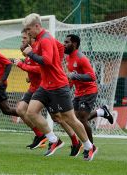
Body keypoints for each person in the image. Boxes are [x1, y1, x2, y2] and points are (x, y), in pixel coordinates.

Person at [22, 13, 97, 160]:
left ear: (37, 26)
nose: (27, 32)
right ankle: (54, 140)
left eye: (29, 29)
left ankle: (89, 146)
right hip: (45, 85)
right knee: (30, 112)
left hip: (58, 85)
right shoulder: (41, 39)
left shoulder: (45, 40)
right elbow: (61, 48)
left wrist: (31, 54)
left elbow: (48, 61)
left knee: (69, 119)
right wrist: (58, 61)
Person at [15, 29, 82, 157]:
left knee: (58, 117)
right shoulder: (29, 49)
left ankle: (75, 142)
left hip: (47, 87)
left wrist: (22, 66)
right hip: (36, 88)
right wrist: (28, 74)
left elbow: (43, 64)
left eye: (24, 38)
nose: (22, 41)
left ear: (31, 37)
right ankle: (41, 136)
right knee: (21, 109)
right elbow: (34, 66)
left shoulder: (40, 46)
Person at [63, 34, 114, 144]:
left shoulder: (82, 58)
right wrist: (67, 88)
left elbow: (92, 77)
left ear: (74, 44)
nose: (64, 44)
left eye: (67, 42)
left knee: (82, 119)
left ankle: (90, 146)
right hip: (78, 92)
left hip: (89, 91)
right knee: (75, 119)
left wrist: (73, 76)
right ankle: (101, 112)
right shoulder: (67, 58)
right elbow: (71, 78)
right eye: (64, 42)